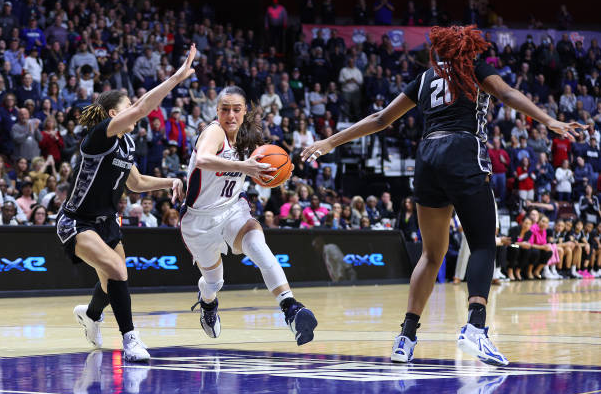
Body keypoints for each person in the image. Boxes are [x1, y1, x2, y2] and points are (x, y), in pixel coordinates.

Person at [302, 25, 585, 366]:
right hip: (462, 150)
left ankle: (405, 337)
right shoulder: (473, 69)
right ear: (468, 49)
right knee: (482, 244)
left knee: (430, 255)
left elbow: (380, 119)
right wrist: (549, 120)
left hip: (427, 158)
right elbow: (508, 94)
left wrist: (329, 142)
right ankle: (475, 328)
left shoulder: (424, 79)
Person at [55, 44, 196, 362]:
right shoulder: (99, 135)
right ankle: (130, 340)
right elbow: (144, 107)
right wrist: (174, 78)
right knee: (118, 270)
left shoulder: (127, 142)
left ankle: (91, 315)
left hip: (105, 221)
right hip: (77, 221)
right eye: (128, 106)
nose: (134, 109)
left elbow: (136, 183)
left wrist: (170, 181)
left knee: (110, 278)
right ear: (113, 114)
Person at [180, 85, 317, 346]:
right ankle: (208, 304)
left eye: (236, 110)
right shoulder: (214, 131)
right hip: (199, 221)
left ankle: (291, 309)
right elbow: (204, 160)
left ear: (244, 112)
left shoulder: (249, 139)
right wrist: (245, 167)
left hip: (232, 209)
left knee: (258, 245)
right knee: (214, 282)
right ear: (217, 111)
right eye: (224, 109)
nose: (230, 115)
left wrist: (279, 174)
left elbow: (266, 167)